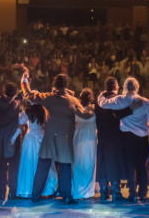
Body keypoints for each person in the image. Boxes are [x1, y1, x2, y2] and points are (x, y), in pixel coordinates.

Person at [20, 65, 94, 204]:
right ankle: (66, 196)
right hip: (65, 138)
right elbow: (84, 115)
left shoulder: (49, 97)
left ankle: (35, 196)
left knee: (42, 167)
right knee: (65, 167)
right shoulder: (73, 100)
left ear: (55, 84)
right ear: (67, 85)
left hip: (49, 137)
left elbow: (29, 94)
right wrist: (91, 110)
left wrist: (24, 81)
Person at [98, 77, 149, 202]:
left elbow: (103, 103)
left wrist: (101, 95)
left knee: (130, 166)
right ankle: (143, 193)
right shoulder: (145, 101)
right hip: (144, 137)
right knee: (144, 167)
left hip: (128, 137)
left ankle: (132, 194)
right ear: (137, 87)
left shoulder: (121, 99)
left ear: (124, 87)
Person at [93, 77, 134, 201]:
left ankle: (103, 191)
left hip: (102, 135)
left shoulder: (99, 99)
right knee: (115, 162)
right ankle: (116, 192)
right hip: (115, 135)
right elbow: (120, 115)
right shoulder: (117, 99)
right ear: (116, 87)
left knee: (104, 162)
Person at [15, 103, 58, 198]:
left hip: (30, 139)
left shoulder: (26, 112)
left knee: (29, 163)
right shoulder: (43, 111)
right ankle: (45, 190)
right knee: (41, 164)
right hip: (41, 137)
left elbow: (20, 126)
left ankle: (28, 189)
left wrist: (13, 139)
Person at [72, 89, 97, 199]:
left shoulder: (76, 110)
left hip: (78, 138)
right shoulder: (95, 111)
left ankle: (76, 190)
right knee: (89, 163)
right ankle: (88, 191)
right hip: (90, 138)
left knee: (78, 164)